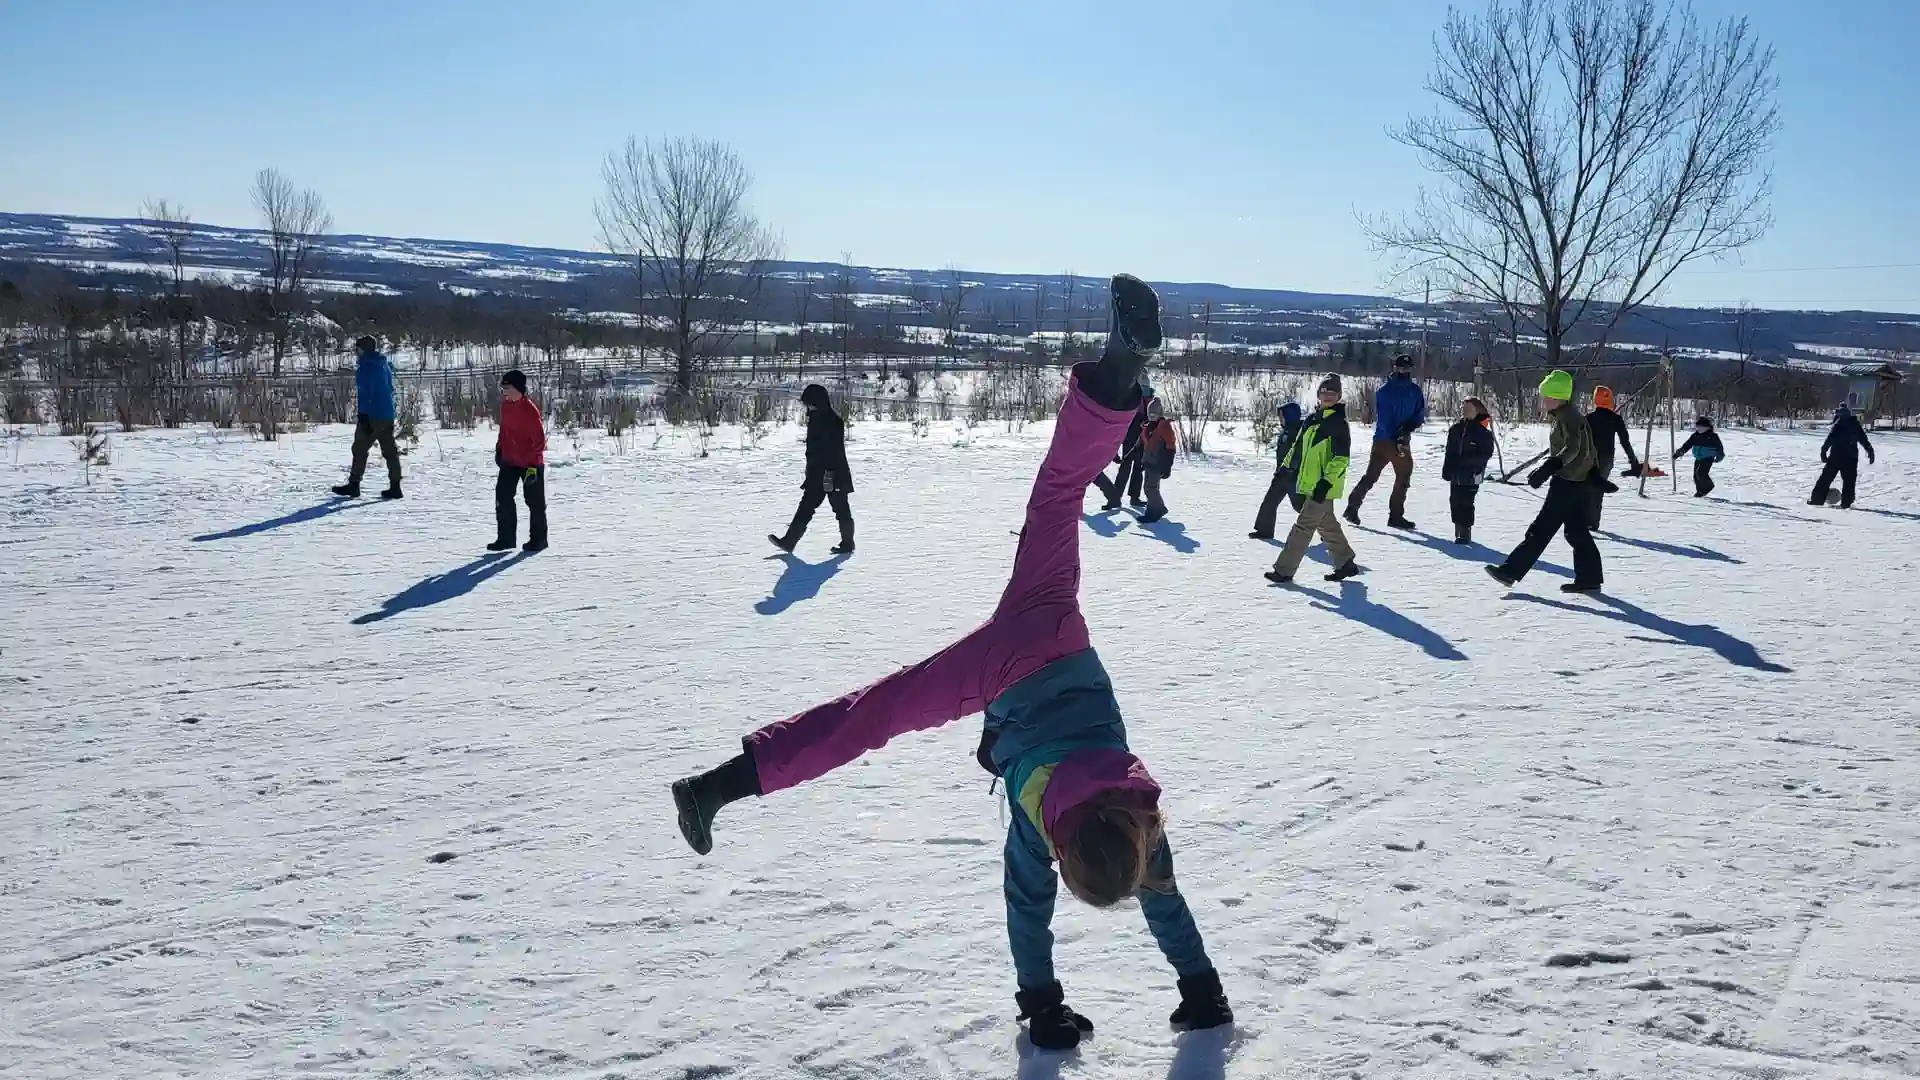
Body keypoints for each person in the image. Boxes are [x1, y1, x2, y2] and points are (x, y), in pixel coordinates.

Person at [670, 275, 1232, 1051]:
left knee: (1061, 489)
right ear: (1070, 853)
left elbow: (1156, 883)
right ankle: (713, 789)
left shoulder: (1139, 813)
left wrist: (1207, 993)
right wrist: (1042, 1010)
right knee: (874, 713)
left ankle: (1121, 363)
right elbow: (1029, 904)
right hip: (1000, 670)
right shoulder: (1048, 829)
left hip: (1051, 629)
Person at [1486, 370, 1603, 593]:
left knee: (1541, 529)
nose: (1542, 400)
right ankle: (1590, 577)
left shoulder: (1569, 418)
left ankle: (1510, 571)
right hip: (1575, 481)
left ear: (1557, 397)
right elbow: (1587, 449)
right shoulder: (1569, 415)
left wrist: (1551, 466)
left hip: (1567, 482)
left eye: (1546, 396)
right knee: (1576, 531)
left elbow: (1574, 447)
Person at [1263, 375, 1359, 584]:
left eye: (1332, 393)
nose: (1328, 396)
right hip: (1308, 482)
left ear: (1339, 396)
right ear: (1318, 395)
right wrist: (1285, 468)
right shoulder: (1312, 419)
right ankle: (1346, 563)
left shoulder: (1338, 423)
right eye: (1324, 392)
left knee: (1303, 526)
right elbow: (1297, 446)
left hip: (1323, 486)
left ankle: (1284, 570)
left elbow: (1341, 459)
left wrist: (1325, 483)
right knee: (1327, 526)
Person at [770, 384, 855, 555]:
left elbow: (835, 451)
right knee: (806, 507)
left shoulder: (833, 421)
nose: (808, 407)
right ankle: (789, 542)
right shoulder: (815, 418)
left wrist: (830, 474)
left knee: (841, 508)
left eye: (810, 403)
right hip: (816, 474)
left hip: (833, 473)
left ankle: (848, 543)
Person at [1344, 353, 1425, 529]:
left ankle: (1363, 508)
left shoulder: (1415, 391)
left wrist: (1410, 427)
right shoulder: (1385, 391)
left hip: (1400, 439)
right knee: (1377, 476)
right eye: (1399, 367)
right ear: (1394, 368)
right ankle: (1358, 508)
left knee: (1400, 476)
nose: (1402, 370)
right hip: (1386, 440)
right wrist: (1398, 437)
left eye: (1406, 368)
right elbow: (1385, 419)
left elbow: (1420, 413)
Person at [331, 335, 403, 499]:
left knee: (360, 449)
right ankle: (395, 486)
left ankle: (354, 485)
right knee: (390, 451)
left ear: (362, 349)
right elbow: (391, 388)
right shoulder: (384, 364)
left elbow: (365, 392)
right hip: (387, 414)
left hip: (372, 414)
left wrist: (363, 415)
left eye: (357, 348)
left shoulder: (365, 367)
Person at [489, 370, 547, 553]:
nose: (504, 392)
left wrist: (532, 465)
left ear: (518, 389)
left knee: (534, 502)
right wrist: (500, 449)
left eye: (507, 388)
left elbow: (539, 441)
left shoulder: (529, 410)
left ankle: (538, 540)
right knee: (503, 497)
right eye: (503, 388)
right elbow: (504, 431)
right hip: (510, 461)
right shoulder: (505, 406)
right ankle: (506, 539)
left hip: (530, 464)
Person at [1441, 397, 1495, 545]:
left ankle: (1465, 533)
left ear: (1477, 410)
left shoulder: (1483, 433)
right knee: (1454, 500)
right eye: (1463, 407)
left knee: (1466, 501)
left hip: (1472, 473)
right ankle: (1458, 529)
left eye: (1469, 408)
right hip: (1455, 473)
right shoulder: (1456, 429)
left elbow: (1485, 454)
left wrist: (1467, 461)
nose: (1465, 410)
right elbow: (1449, 451)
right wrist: (1446, 469)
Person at [1585, 386, 1640, 529]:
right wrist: (1633, 460)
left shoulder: (1588, 419)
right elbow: (1625, 441)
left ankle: (1587, 521)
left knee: (1587, 488)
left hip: (1589, 458)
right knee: (1597, 489)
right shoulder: (1615, 419)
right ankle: (1592, 521)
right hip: (1606, 459)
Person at [1250, 401, 1305, 539]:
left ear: (1290, 416)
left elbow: (1298, 455)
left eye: (1282, 416)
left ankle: (1326, 531)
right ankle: (1264, 530)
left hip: (1293, 477)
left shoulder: (1298, 433)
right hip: (1281, 475)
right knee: (1269, 502)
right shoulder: (1286, 431)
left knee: (1301, 507)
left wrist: (1292, 469)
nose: (1280, 419)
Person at [1092, 391, 1152, 510]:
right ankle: (1116, 497)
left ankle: (1133, 497)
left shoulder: (1148, 398)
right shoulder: (1131, 394)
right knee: (1126, 466)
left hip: (1141, 435)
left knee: (1138, 467)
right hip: (1129, 434)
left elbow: (1153, 418)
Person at [1810, 404, 1875, 508]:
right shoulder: (1855, 424)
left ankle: (1817, 499)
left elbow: (1830, 439)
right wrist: (1870, 451)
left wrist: (1823, 451)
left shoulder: (1838, 424)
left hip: (1836, 456)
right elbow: (1863, 439)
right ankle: (1846, 502)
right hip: (1851, 457)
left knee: (1825, 478)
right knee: (1849, 480)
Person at [1137, 398, 1177, 523]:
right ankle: (1157, 509)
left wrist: (1167, 467)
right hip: (1149, 462)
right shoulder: (1148, 427)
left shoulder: (1165, 427)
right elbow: (1140, 444)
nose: (1151, 417)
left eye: (1154, 414)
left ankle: (1155, 512)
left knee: (1150, 488)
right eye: (1150, 414)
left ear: (1159, 414)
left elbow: (1171, 448)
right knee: (1150, 488)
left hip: (1158, 463)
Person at [1673, 416, 1725, 498]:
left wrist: (1719, 456)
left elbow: (1719, 448)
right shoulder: (1695, 436)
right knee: (1695, 476)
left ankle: (1709, 486)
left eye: (1701, 427)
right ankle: (1700, 491)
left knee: (1701, 473)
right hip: (1698, 457)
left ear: (1707, 427)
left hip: (1708, 458)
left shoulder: (1713, 436)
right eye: (1698, 427)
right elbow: (1687, 445)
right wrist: (1678, 454)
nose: (1699, 429)